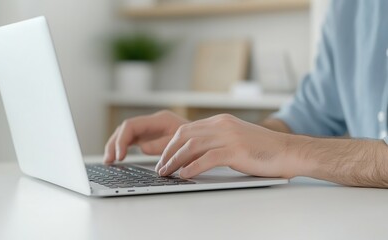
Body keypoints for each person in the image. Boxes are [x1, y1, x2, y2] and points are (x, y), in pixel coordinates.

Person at [103, 0, 388, 188]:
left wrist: (289, 150)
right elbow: (305, 116)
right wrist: (216, 139)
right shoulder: (348, 7)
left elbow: (287, 142)